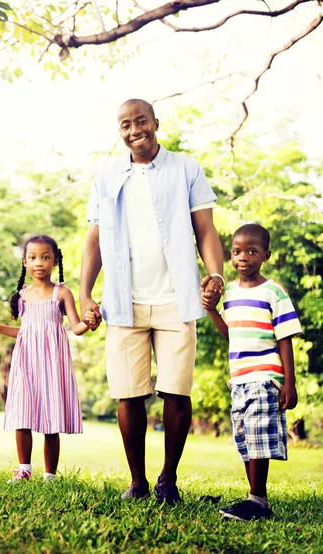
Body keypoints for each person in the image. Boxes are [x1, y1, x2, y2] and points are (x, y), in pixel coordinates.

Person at [79, 98, 224, 503]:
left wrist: (215, 274)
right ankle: (138, 482)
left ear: (155, 123)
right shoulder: (106, 177)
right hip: (124, 300)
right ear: (119, 130)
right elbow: (94, 240)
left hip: (177, 297)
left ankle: (168, 480)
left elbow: (206, 230)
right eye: (125, 124)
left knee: (177, 390)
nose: (133, 129)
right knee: (129, 393)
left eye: (140, 121)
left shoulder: (185, 168)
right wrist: (85, 292)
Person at [202, 223, 301, 521]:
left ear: (265, 255)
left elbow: (285, 338)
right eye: (236, 252)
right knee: (246, 441)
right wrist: (211, 310)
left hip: (265, 376)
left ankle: (257, 500)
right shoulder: (229, 292)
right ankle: (255, 499)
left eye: (251, 251)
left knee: (258, 437)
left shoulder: (274, 292)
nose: (242, 257)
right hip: (239, 380)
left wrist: (289, 383)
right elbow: (228, 333)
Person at [0, 235, 95, 482]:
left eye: (45, 257)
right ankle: (24, 469)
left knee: (51, 417)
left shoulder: (62, 293)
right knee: (22, 413)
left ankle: (50, 475)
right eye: (32, 258)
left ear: (55, 261)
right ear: (24, 262)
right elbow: (25, 331)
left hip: (53, 362)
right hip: (26, 361)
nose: (38, 262)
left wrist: (91, 321)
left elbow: (76, 327)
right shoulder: (23, 295)